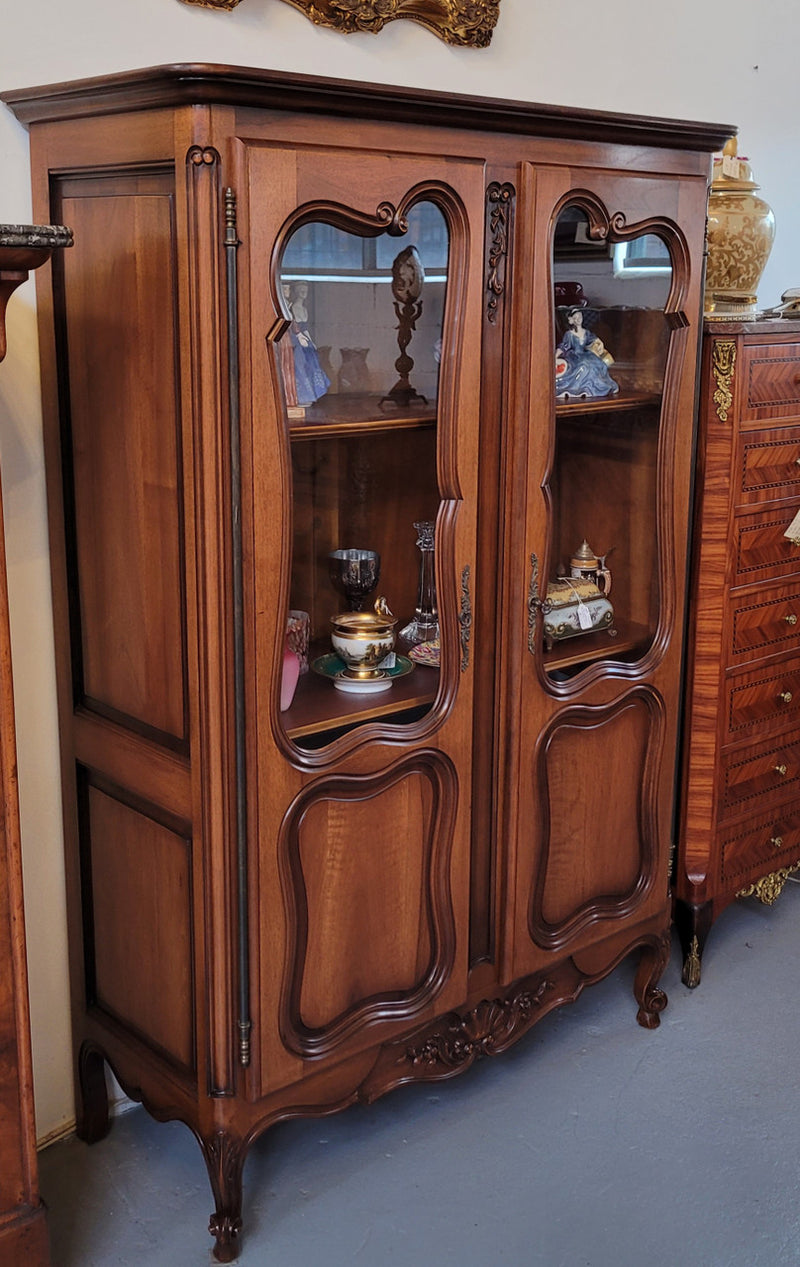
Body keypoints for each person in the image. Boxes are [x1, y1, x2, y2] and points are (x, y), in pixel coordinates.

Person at [555, 305, 619, 399]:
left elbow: (594, 340)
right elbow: (564, 346)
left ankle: (597, 387)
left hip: (585, 354)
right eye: (575, 318)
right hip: (574, 356)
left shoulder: (586, 332)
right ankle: (578, 389)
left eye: (580, 317)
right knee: (583, 366)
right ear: (571, 320)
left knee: (598, 363)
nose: (578, 319)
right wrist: (555, 356)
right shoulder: (569, 334)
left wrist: (600, 343)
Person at [290, 280, 330, 405]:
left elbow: (305, 328)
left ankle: (312, 393)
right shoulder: (293, 308)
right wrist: (300, 336)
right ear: (296, 292)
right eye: (301, 290)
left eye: (305, 291)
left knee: (312, 362)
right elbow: (295, 327)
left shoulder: (304, 309)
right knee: (300, 364)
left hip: (304, 339)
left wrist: (310, 339)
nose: (304, 293)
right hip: (296, 339)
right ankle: (302, 395)